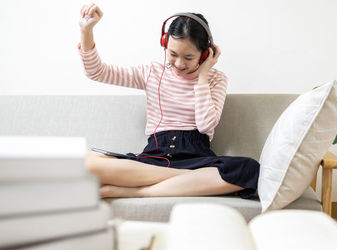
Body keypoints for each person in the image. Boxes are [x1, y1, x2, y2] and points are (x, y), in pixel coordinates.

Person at [79, 4, 259, 199]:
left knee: (250, 169)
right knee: (86, 161)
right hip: (154, 158)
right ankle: (188, 180)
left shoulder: (216, 79)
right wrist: (86, 30)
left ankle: (135, 190)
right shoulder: (151, 73)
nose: (179, 64)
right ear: (165, 44)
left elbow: (205, 123)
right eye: (173, 54)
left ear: (205, 54)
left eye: (189, 57)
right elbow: (96, 72)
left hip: (196, 158)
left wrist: (203, 75)